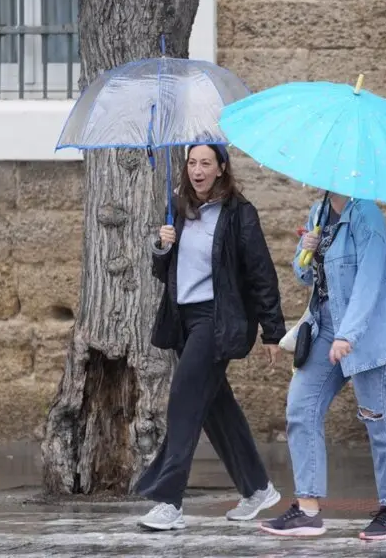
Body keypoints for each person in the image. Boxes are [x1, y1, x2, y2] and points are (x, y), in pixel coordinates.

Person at [134, 143, 286, 531]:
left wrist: (273, 332)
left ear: (221, 168)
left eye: (205, 163)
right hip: (183, 320)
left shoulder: (239, 214)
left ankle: (169, 500)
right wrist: (161, 247)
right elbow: (163, 272)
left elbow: (260, 275)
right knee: (217, 409)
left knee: (184, 399)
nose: (197, 170)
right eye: (191, 163)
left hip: (215, 320)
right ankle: (257, 487)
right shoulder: (179, 208)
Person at [261, 193, 386, 541]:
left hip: (369, 330)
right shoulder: (318, 210)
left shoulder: (367, 215)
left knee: (378, 419)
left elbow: (370, 280)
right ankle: (307, 510)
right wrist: (306, 249)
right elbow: (305, 277)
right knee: (301, 409)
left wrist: (349, 333)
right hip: (325, 327)